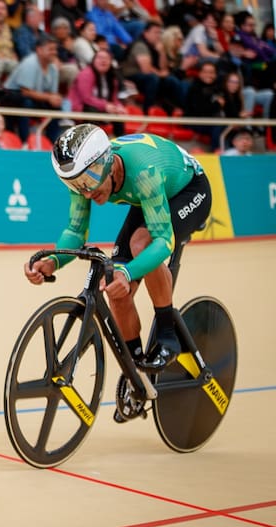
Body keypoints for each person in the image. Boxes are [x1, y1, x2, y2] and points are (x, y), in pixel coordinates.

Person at [26, 124, 212, 384]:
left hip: (188, 190)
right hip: (148, 196)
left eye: (90, 182)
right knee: (115, 286)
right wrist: (53, 261)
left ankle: (168, 335)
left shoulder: (143, 172)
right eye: (78, 185)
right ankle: (137, 367)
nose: (87, 192)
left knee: (141, 245)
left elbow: (163, 241)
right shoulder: (82, 175)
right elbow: (75, 231)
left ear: (109, 163)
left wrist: (129, 271)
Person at [0, 34, 62, 143]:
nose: (54, 52)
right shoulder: (30, 63)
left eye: (55, 49)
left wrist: (55, 98)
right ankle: (26, 141)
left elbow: (52, 93)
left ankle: (52, 142)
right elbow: (25, 91)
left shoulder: (53, 68)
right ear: (39, 50)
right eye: (50, 49)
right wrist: (49, 97)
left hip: (37, 98)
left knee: (57, 108)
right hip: (13, 97)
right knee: (26, 104)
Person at [69, 48, 127, 135]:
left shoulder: (112, 77)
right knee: (92, 111)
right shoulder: (86, 74)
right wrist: (105, 105)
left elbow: (114, 99)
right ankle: (93, 141)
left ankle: (120, 143)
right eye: (100, 58)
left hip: (101, 109)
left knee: (118, 115)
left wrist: (118, 107)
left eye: (106, 58)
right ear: (93, 60)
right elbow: (86, 98)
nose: (103, 61)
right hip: (81, 109)